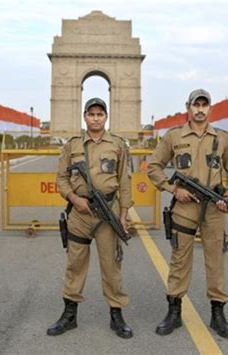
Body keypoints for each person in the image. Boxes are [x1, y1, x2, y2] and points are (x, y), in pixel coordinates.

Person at [148, 89, 228, 339]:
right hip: (185, 207)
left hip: (213, 209)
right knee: (179, 260)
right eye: (195, 105)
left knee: (216, 261)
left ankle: (218, 314)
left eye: (204, 105)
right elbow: (154, 166)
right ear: (188, 107)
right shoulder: (174, 136)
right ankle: (174, 311)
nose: (200, 109)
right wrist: (172, 189)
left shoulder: (222, 138)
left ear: (210, 109)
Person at [47, 98, 134, 339]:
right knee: (75, 264)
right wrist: (75, 199)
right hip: (79, 213)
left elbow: (125, 182)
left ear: (106, 117)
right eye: (91, 114)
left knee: (111, 266)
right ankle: (69, 315)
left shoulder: (117, 145)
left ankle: (116, 315)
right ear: (84, 116)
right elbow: (61, 178)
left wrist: (124, 215)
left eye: (100, 114)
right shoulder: (72, 145)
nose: (96, 118)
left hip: (108, 212)